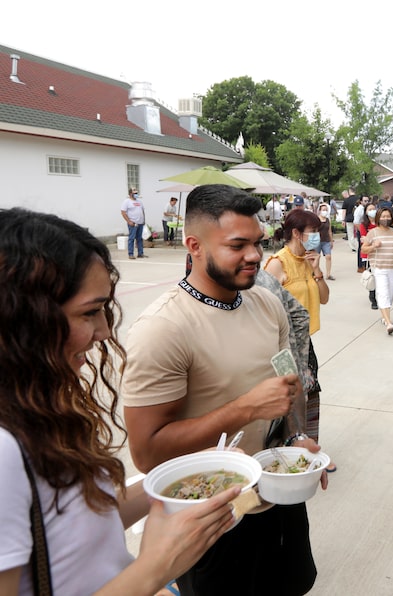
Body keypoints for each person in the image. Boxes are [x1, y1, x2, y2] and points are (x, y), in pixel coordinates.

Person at [0, 208, 241, 595]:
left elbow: (80, 516)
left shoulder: (35, 410)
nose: (104, 331)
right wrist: (156, 567)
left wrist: (193, 476)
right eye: (90, 312)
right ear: (22, 319)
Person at [121, 184, 325, 596]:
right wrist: (243, 409)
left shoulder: (266, 304)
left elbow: (290, 380)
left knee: (292, 584)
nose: (253, 255)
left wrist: (297, 434)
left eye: (257, 242)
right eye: (238, 245)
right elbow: (147, 453)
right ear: (194, 245)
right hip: (208, 514)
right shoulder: (163, 329)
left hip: (273, 492)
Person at [263, 209, 333, 470]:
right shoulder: (278, 263)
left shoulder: (308, 260)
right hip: (284, 345)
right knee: (291, 396)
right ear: (296, 233)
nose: (316, 237)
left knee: (311, 394)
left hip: (306, 342)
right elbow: (262, 303)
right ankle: (285, 451)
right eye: (313, 232)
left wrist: (317, 270)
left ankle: (308, 450)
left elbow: (324, 298)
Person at [361, 206, 393, 334]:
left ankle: (384, 317)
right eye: (383, 216)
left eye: (388, 216)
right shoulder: (373, 233)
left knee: (390, 294)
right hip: (379, 268)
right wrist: (373, 246)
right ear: (378, 218)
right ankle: (389, 323)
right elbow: (363, 249)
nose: (386, 219)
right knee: (383, 293)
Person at [358, 203, 378, 309]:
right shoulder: (364, 225)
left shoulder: (380, 223)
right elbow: (364, 239)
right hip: (369, 254)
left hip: (380, 253)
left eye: (374, 208)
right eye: (370, 209)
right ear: (366, 212)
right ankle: (373, 298)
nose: (372, 210)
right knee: (372, 276)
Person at [120, 188, 147, 259]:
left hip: (140, 222)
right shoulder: (127, 201)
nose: (136, 194)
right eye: (135, 193)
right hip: (133, 223)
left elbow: (142, 211)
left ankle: (140, 253)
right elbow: (123, 212)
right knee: (131, 238)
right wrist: (129, 221)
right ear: (130, 194)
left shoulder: (140, 202)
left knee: (139, 239)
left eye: (136, 193)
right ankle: (131, 254)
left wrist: (144, 220)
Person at [317, 202, 335, 280]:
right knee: (316, 257)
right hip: (317, 241)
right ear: (320, 210)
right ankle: (316, 272)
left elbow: (329, 231)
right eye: (323, 210)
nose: (325, 211)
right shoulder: (316, 219)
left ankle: (328, 274)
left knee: (328, 256)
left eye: (326, 210)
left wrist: (331, 241)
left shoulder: (328, 220)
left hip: (326, 240)